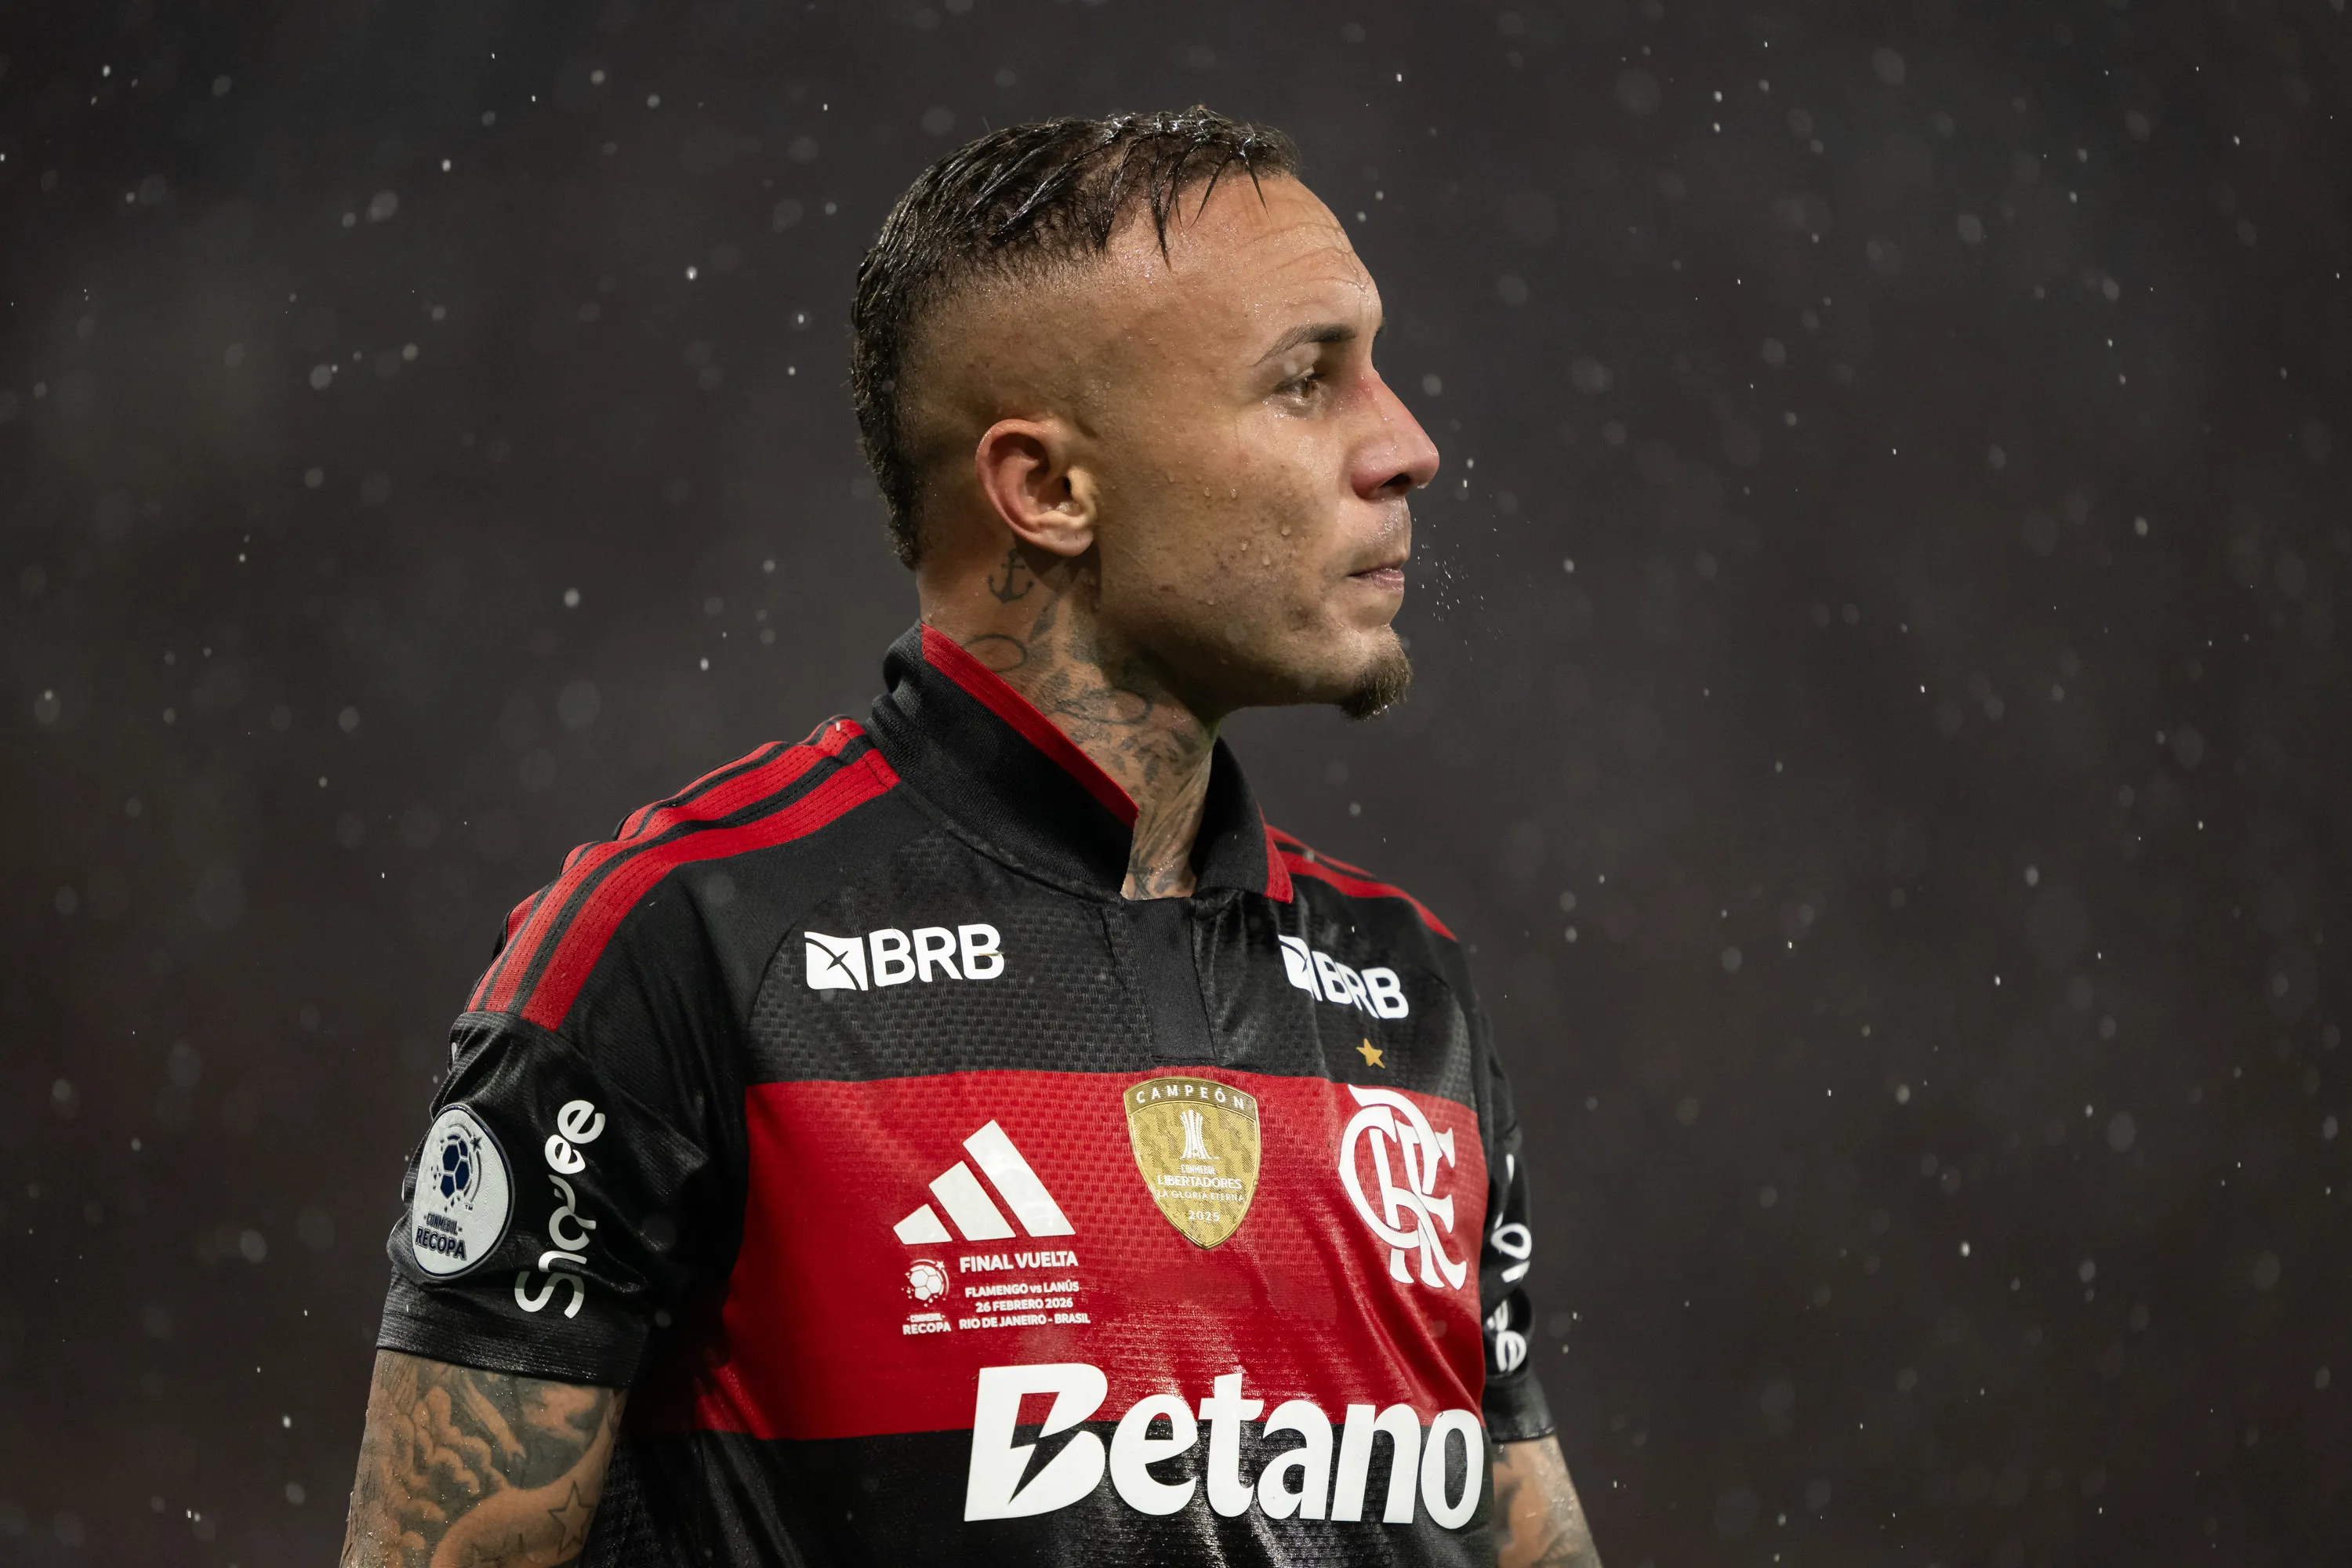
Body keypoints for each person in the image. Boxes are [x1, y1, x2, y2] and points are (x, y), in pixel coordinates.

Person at [340, 107, 1600, 1568]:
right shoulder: (681, 946)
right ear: (1049, 490)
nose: (1409, 446)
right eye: (1308, 383)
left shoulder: (1412, 994)